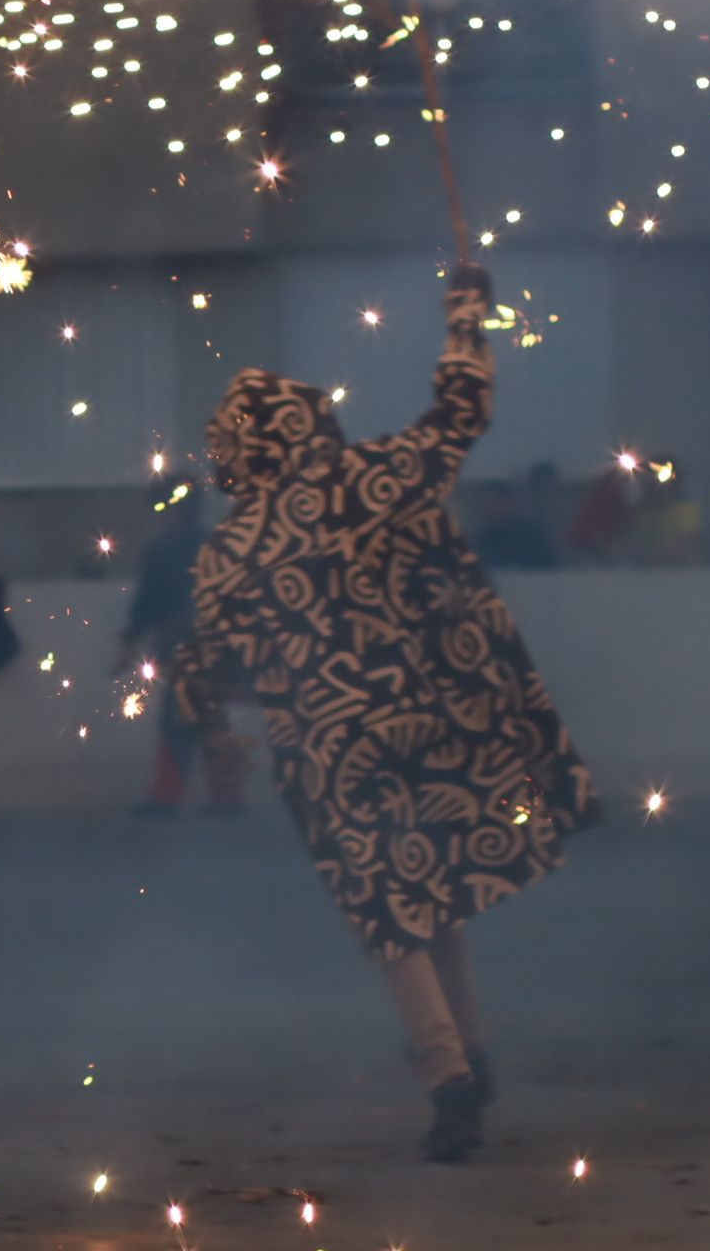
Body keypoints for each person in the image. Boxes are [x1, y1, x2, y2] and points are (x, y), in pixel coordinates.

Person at [176, 265, 598, 1162]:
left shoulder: (228, 548)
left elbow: (199, 670)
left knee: (390, 912)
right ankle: (472, 1058)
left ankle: (450, 1080)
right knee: (433, 896)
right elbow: (460, 415)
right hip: (427, 717)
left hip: (330, 752)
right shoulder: (372, 475)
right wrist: (464, 321)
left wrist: (222, 739)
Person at [112, 485, 247, 816]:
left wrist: (131, 640)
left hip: (191, 647)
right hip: (204, 646)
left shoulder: (169, 549)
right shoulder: (210, 546)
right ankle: (220, 796)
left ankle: (174, 796)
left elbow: (146, 604)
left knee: (183, 720)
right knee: (209, 719)